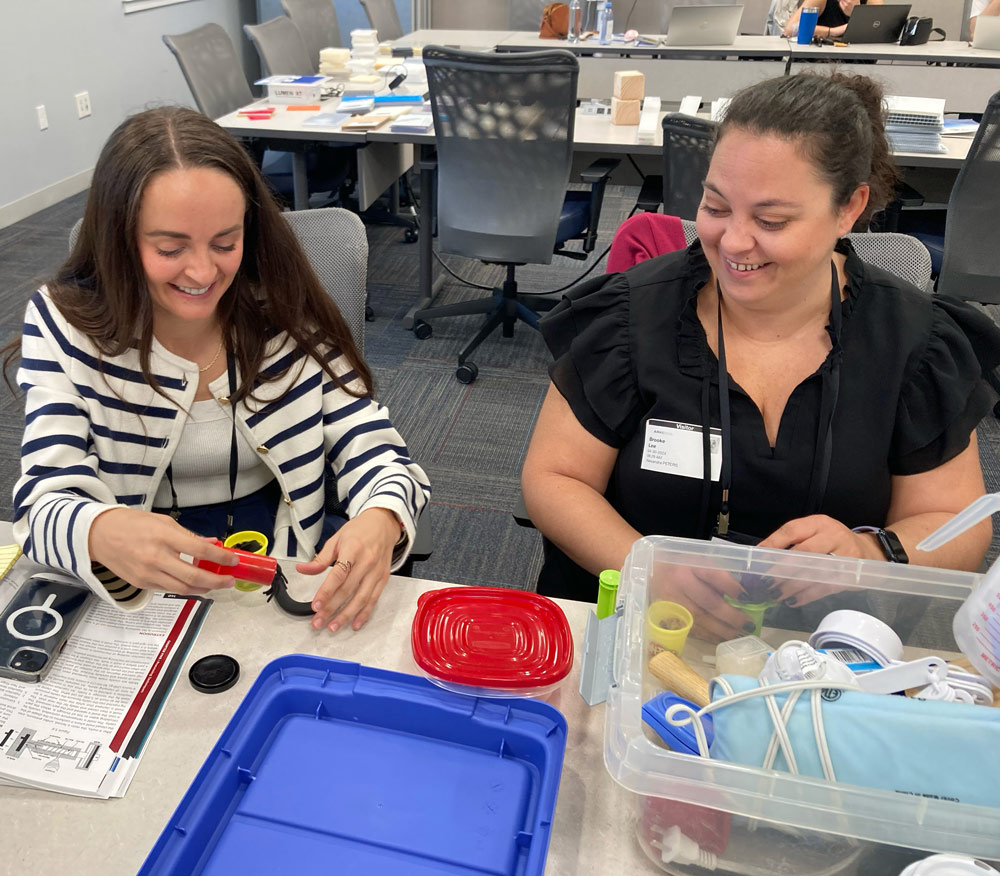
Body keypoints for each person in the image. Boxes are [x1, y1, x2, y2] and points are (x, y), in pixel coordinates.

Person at [521, 72, 1000, 640]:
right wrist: (646, 569)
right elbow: (555, 477)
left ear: (849, 209)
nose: (734, 242)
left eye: (772, 221)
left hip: (822, 654)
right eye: (715, 206)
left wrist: (869, 552)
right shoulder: (630, 319)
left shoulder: (914, 344)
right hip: (637, 633)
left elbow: (956, 525)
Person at [8, 106, 430, 634]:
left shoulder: (280, 304)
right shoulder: (64, 323)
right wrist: (101, 531)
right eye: (169, 248)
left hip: (282, 573)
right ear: (120, 238)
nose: (204, 272)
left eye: (226, 243)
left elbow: (373, 443)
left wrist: (383, 516)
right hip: (139, 592)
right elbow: (40, 504)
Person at [783, 0, 882, 39]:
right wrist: (834, 31)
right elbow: (792, 29)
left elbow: (880, 30)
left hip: (859, 61)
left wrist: (857, 13)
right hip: (821, 60)